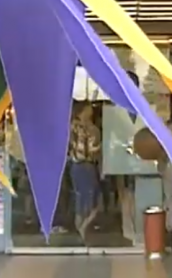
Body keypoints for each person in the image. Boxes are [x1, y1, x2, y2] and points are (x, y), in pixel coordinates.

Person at [68, 101, 101, 241]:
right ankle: (83, 228)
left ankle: (81, 227)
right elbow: (94, 150)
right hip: (84, 165)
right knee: (88, 198)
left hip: (80, 165)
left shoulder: (74, 127)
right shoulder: (88, 129)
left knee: (83, 197)